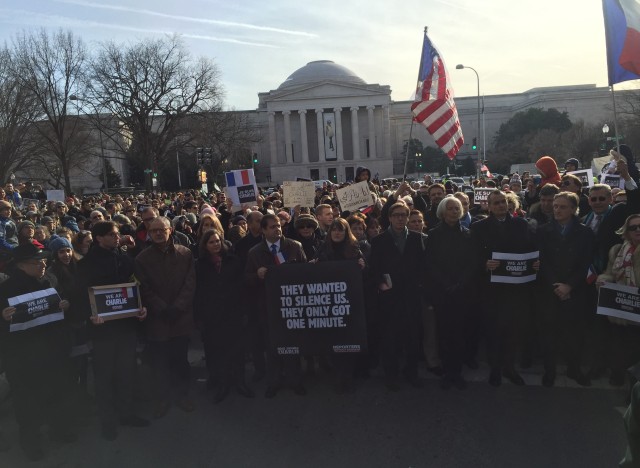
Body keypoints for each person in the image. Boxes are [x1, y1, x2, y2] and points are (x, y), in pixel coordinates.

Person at [0, 244, 75, 461]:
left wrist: (64, 305)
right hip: (22, 357)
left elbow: (57, 307)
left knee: (54, 393)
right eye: (37, 262)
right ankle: (30, 442)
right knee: (26, 402)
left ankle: (58, 429)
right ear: (22, 265)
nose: (43, 265)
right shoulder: (6, 288)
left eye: (44, 261)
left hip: (50, 351)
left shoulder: (47, 281)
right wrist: (3, 318)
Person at [75, 221, 148, 441]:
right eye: (112, 234)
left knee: (126, 372)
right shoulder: (86, 264)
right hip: (102, 330)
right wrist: (90, 315)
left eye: (117, 234)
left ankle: (126, 413)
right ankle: (108, 420)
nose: (118, 237)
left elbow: (136, 286)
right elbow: (80, 295)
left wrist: (140, 307)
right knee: (104, 377)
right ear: (98, 238)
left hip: (126, 326)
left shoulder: (124, 260)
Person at [470, 190, 537, 387]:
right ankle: (495, 368)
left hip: (515, 288)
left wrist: (534, 263)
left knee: (513, 330)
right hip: (491, 288)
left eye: (503, 202)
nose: (500, 206)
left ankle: (509, 366)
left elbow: (529, 248)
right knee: (493, 330)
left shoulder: (520, 224)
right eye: (496, 203)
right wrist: (485, 263)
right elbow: (473, 255)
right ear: (489, 206)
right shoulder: (479, 227)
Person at [135, 216, 196, 418]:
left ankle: (182, 395)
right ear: (149, 234)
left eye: (162, 230)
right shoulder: (142, 258)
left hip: (181, 318)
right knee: (159, 363)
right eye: (154, 231)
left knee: (180, 360)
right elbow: (144, 288)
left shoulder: (185, 253)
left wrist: (178, 307)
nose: (159, 234)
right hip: (158, 319)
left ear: (171, 230)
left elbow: (190, 283)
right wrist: (161, 308)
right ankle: (162, 398)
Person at [245, 214, 307, 398]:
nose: (277, 229)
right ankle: (274, 382)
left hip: (292, 305)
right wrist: (257, 275)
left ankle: (295, 380)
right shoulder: (254, 253)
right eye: (272, 227)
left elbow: (307, 273)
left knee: (293, 345)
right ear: (263, 230)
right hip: (268, 307)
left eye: (278, 225)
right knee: (272, 346)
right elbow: (246, 279)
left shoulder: (295, 247)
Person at [537, 192, 594, 387]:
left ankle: (574, 368)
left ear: (573, 209)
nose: (557, 210)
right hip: (550, 289)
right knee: (549, 333)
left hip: (574, 290)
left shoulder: (585, 232)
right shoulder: (543, 231)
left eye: (562, 206)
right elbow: (542, 261)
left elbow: (586, 262)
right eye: (555, 206)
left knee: (574, 333)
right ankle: (549, 370)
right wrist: (556, 284)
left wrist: (569, 285)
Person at [370, 202, 426, 391]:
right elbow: (373, 269)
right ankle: (391, 375)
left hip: (411, 297)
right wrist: (380, 283)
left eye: (404, 215)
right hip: (389, 298)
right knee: (390, 339)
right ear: (390, 217)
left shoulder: (419, 239)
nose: (400, 218)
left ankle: (412, 373)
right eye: (396, 215)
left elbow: (424, 267)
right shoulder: (378, 241)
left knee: (412, 339)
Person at [195, 229, 254, 403]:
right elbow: (198, 292)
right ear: (205, 245)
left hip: (233, 312)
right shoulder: (200, 265)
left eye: (217, 241)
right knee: (218, 351)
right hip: (213, 316)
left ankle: (240, 382)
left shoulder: (233, 261)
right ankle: (223, 383)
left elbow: (242, 287)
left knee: (237, 349)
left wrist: (244, 310)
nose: (215, 245)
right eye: (211, 242)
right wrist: (200, 317)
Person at [425, 197, 476, 390]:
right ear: (442, 212)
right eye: (451, 209)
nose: (455, 211)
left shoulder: (468, 234)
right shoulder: (434, 234)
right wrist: (446, 283)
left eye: (457, 208)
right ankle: (448, 372)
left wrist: (461, 282)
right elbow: (430, 263)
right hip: (443, 292)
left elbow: (472, 262)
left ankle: (457, 371)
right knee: (444, 334)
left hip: (462, 291)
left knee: (460, 333)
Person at [316, 218, 366, 393]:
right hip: (330, 301)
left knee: (348, 338)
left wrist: (362, 265)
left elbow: (364, 275)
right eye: (334, 230)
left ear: (346, 233)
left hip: (349, 301)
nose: (337, 233)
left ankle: (348, 374)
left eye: (341, 230)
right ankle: (338, 373)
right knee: (334, 339)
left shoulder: (354, 249)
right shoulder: (322, 248)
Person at [597, 214, 640, 386]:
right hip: (621, 307)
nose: (638, 230)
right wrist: (603, 280)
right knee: (621, 344)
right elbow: (610, 273)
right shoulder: (617, 250)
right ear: (626, 232)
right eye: (633, 227)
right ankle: (619, 374)